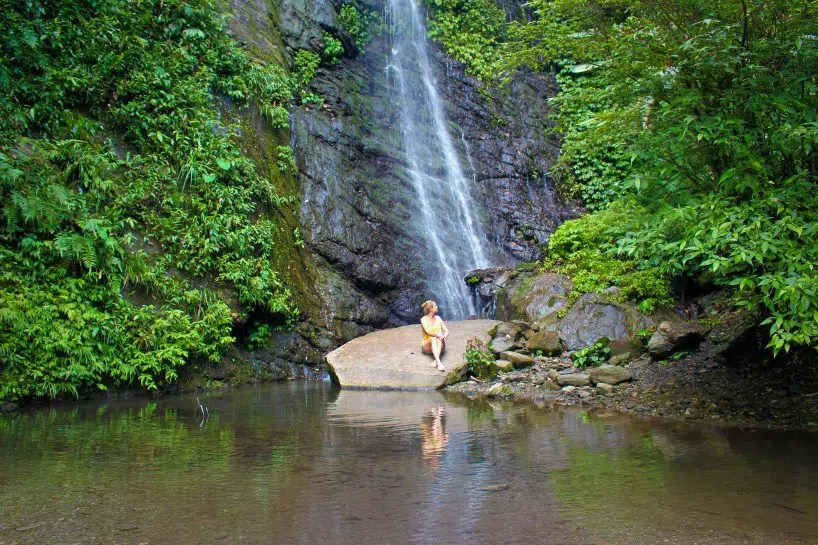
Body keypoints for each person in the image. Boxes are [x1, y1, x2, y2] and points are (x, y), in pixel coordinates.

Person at [420, 300, 449, 372]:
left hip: (440, 344)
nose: (437, 307)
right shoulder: (423, 319)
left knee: (438, 338)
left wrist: (443, 337)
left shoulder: (438, 318)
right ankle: (438, 362)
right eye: (435, 306)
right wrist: (438, 335)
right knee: (434, 338)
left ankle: (437, 361)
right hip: (427, 346)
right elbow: (428, 332)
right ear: (430, 309)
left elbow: (447, 331)